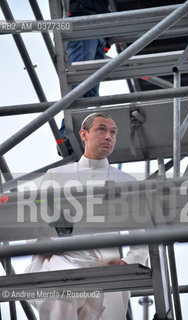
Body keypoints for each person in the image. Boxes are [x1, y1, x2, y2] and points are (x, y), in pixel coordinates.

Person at [26, 112, 148, 320]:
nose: (109, 136)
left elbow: (144, 231)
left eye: (113, 132)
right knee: (60, 301)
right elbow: (34, 217)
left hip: (106, 265)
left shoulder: (127, 182)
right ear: (83, 134)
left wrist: (129, 262)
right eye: (101, 129)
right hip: (64, 258)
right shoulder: (56, 176)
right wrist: (42, 243)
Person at [59, 0, 111, 149]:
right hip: (84, 22)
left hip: (99, 28)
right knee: (80, 85)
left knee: (91, 93)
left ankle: (82, 134)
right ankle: (66, 135)